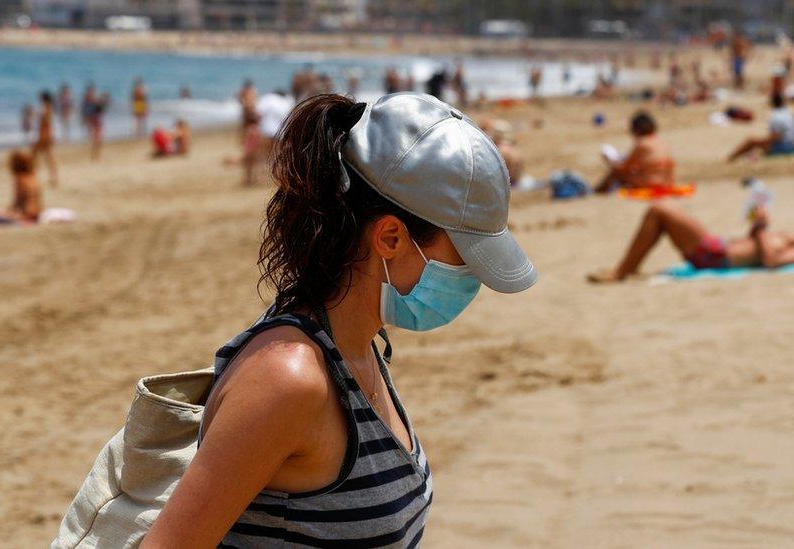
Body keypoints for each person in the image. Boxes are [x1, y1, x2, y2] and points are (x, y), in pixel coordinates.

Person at [142, 93, 537, 547]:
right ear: (390, 237)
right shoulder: (288, 379)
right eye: (465, 259)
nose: (474, 280)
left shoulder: (358, 346)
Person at [587, 201, 794, 283]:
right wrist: (756, 228)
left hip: (718, 256)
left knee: (659, 211)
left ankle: (623, 271)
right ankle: (626, 269)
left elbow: (773, 261)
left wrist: (762, 230)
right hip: (718, 250)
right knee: (661, 213)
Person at [595, 111, 676, 192]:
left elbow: (624, 168)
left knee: (615, 173)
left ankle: (596, 193)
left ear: (636, 129)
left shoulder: (642, 143)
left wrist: (610, 162)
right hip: (668, 183)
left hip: (651, 184)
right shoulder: (660, 142)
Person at [727, 93, 794, 162]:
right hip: (792, 143)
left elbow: (776, 137)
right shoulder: (788, 113)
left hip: (784, 146)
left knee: (751, 141)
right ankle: (732, 158)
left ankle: (730, 159)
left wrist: (762, 143)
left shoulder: (776, 116)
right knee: (755, 142)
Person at [0, 150, 42, 226]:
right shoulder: (33, 177)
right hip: (37, 214)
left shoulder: (20, 180)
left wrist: (7, 212)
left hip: (26, 216)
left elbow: (16, 205)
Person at [31, 90, 59, 187]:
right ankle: (54, 177)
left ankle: (33, 175)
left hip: (44, 133)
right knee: (48, 156)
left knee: (38, 154)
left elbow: (46, 121)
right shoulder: (48, 107)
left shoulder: (46, 107)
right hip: (46, 133)